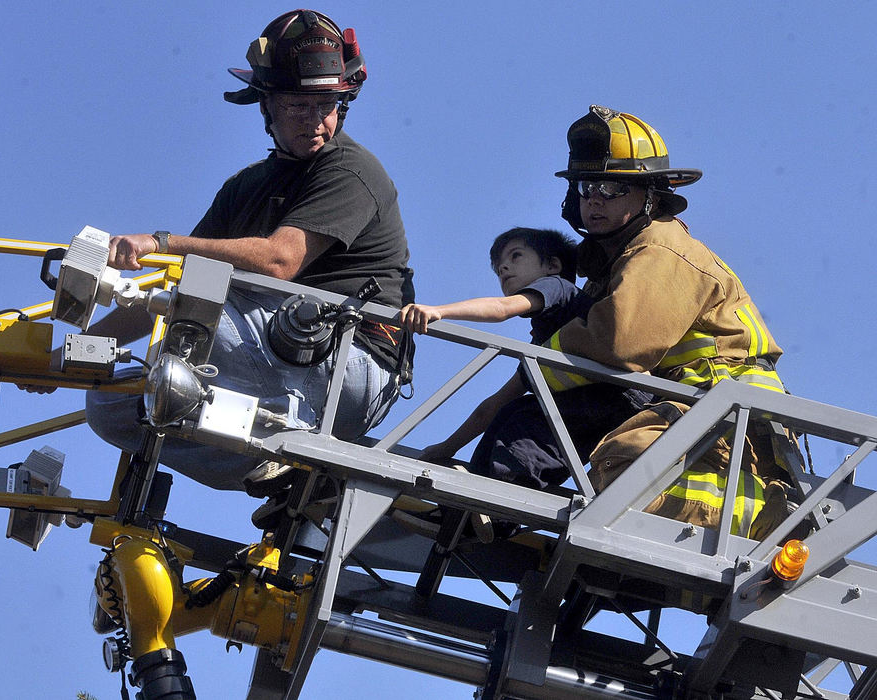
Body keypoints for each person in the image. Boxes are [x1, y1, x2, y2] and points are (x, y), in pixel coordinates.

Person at [82, 9, 415, 493]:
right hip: (271, 358)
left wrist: (160, 241)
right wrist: (68, 357)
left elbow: (281, 261)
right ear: (267, 107)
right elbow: (171, 282)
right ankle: (273, 460)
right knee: (110, 405)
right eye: (299, 107)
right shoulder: (245, 188)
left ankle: (285, 440)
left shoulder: (352, 170)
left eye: (327, 104)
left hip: (351, 366)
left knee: (196, 312)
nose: (316, 121)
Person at [541, 105, 799, 527]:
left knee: (623, 463)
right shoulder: (614, 267)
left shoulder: (661, 248)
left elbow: (618, 343)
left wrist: (537, 365)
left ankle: (766, 518)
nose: (594, 201)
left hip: (728, 417)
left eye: (611, 188)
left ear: (650, 196)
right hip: (696, 411)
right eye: (588, 187)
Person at [399, 227, 647, 490]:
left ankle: (499, 496)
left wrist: (439, 311)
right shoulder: (543, 346)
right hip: (605, 404)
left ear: (553, 265)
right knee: (510, 412)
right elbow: (492, 406)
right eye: (498, 268)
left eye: (515, 256)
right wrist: (446, 448)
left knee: (525, 420)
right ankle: (468, 514)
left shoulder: (558, 286)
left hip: (619, 395)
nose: (504, 269)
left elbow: (501, 308)